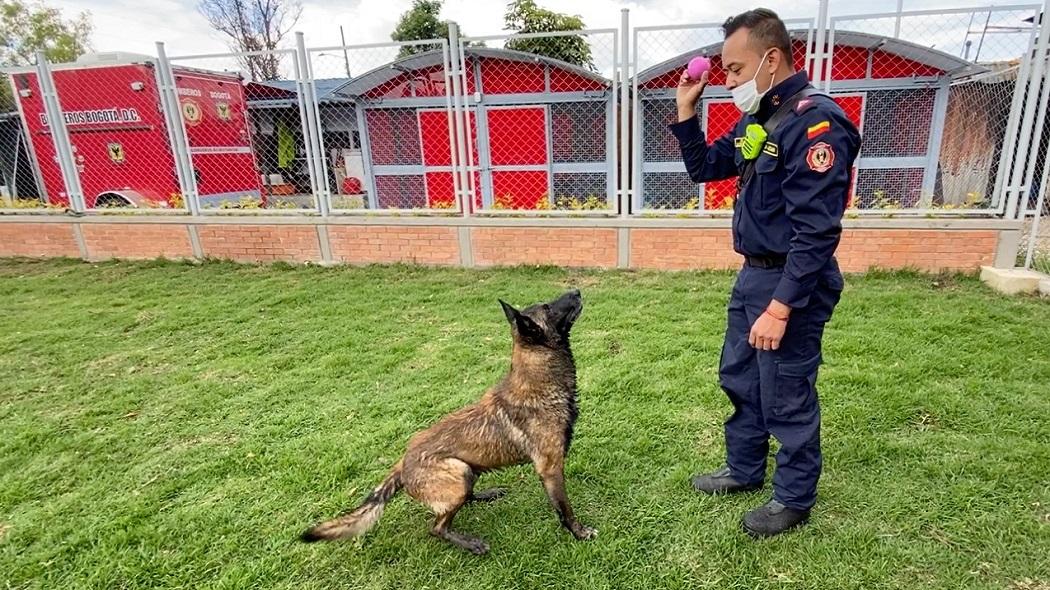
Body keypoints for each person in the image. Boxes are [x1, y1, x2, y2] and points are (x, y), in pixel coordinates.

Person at [669, 8, 861, 537]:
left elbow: (817, 234)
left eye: (734, 69)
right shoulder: (760, 118)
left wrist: (781, 307)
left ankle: (794, 496)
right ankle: (745, 469)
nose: (727, 81)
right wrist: (687, 111)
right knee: (741, 378)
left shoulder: (816, 122)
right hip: (753, 274)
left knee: (786, 389)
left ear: (771, 59)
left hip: (791, 281)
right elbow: (706, 167)